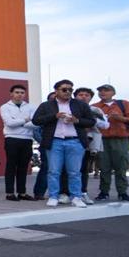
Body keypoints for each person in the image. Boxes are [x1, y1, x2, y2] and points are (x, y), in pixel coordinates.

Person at [31, 79, 95, 208]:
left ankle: (76, 197)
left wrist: (76, 120)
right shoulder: (46, 105)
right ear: (57, 91)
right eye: (64, 89)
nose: (68, 92)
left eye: (70, 90)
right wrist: (54, 116)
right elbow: (36, 120)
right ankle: (54, 196)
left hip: (75, 141)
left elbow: (91, 121)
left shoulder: (80, 105)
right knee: (54, 171)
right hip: (55, 141)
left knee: (75, 172)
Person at [93, 84, 129, 202]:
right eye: (100, 91)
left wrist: (120, 118)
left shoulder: (124, 104)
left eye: (106, 90)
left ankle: (122, 192)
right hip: (102, 139)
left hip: (120, 139)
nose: (103, 92)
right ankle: (104, 192)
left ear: (113, 93)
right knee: (104, 166)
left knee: (121, 166)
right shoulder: (94, 107)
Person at [0, 83, 35, 201]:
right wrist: (25, 120)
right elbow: (9, 123)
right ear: (11, 94)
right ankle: (10, 193)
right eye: (17, 92)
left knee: (23, 167)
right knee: (11, 166)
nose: (19, 95)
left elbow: (35, 124)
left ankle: (22, 192)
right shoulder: (5, 107)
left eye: (22, 93)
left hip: (27, 139)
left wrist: (18, 122)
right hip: (12, 139)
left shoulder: (31, 107)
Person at [73, 87, 107, 204]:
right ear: (75, 96)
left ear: (91, 97)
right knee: (67, 170)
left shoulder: (95, 110)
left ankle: (83, 192)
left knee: (83, 169)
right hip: (71, 141)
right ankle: (65, 193)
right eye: (80, 94)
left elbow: (106, 125)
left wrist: (92, 120)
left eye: (87, 95)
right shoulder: (69, 108)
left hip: (87, 142)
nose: (83, 97)